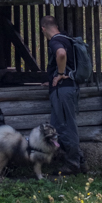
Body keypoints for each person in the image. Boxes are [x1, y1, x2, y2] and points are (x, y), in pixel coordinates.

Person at [40, 15, 83, 174]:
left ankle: (73, 163)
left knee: (65, 127)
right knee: (60, 126)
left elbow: (61, 54)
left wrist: (59, 74)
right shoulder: (67, 38)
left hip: (63, 91)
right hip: (68, 88)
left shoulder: (55, 42)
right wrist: (52, 79)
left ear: (43, 29)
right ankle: (80, 161)